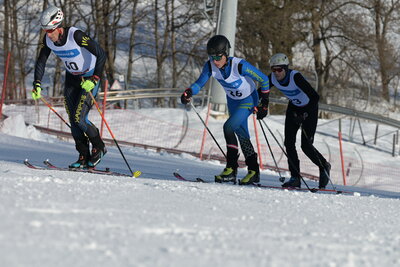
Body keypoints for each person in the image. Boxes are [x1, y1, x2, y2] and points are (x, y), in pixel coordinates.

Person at [180, 35, 270, 185]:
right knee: (242, 134)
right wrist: (189, 92)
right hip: (233, 102)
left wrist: (264, 104)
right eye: (211, 56)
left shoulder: (240, 65)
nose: (215, 60)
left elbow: (264, 80)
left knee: (228, 127)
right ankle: (254, 172)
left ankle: (231, 168)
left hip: (248, 99)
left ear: (226, 53)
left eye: (218, 56)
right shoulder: (210, 66)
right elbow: (199, 83)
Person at [32, 6, 107, 169]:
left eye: (50, 30)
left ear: (58, 28)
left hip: (89, 76)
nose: (48, 34)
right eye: (45, 30)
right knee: (73, 119)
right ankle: (83, 155)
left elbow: (101, 54)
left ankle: (99, 147)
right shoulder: (48, 40)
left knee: (80, 117)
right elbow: (41, 61)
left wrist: (94, 79)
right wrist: (36, 83)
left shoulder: (76, 36)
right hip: (72, 79)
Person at [258, 53, 331, 189]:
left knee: (306, 146)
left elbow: (315, 97)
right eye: (274, 70)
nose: (276, 73)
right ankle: (295, 177)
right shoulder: (273, 78)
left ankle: (324, 166)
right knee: (289, 142)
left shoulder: (295, 77)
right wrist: (257, 105)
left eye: (279, 70)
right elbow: (261, 91)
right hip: (293, 108)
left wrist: (304, 114)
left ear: (286, 68)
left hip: (309, 109)